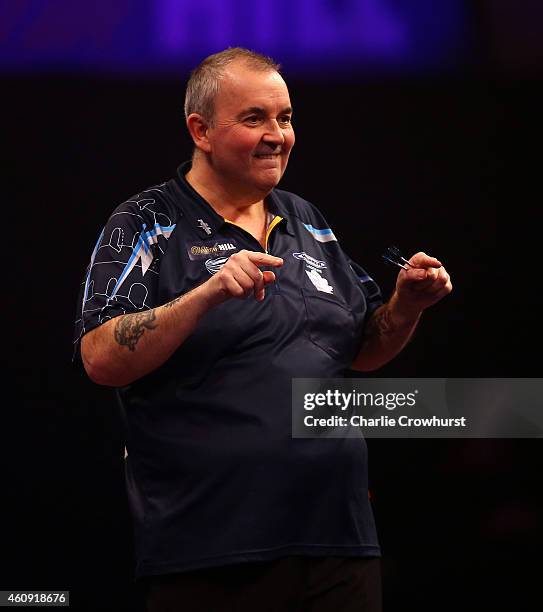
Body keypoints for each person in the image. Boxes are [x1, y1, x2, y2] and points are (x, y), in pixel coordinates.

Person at [73, 47, 452, 612]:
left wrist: (407, 304)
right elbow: (100, 357)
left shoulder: (307, 220)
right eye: (255, 119)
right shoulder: (146, 222)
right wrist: (207, 293)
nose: (278, 135)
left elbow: (364, 350)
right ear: (200, 131)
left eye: (286, 117)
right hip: (210, 551)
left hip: (338, 542)